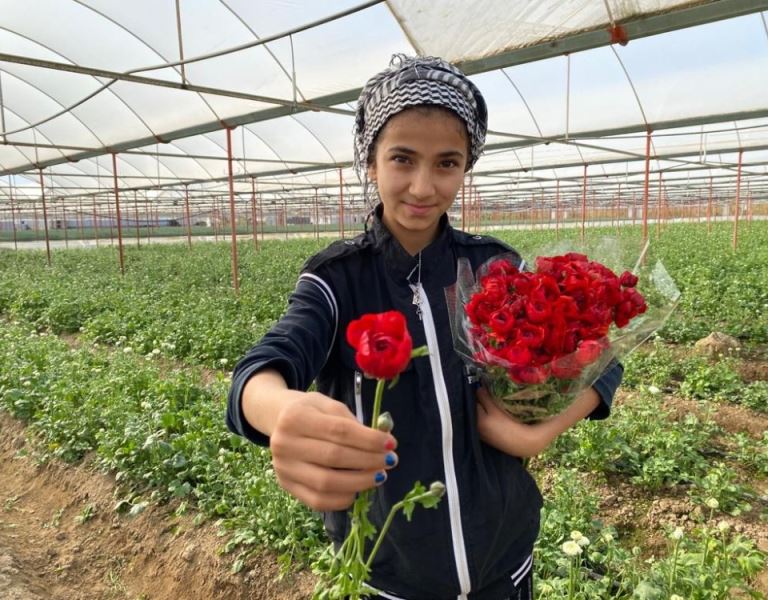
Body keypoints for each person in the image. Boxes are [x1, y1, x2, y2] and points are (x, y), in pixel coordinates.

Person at [226, 54, 622, 600]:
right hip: (392, 575)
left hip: (503, 563)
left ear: (465, 168)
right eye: (402, 159)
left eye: (446, 163)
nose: (422, 186)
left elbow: (600, 358)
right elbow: (263, 367)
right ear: (371, 163)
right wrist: (279, 411)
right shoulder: (338, 280)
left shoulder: (494, 269)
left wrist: (537, 432)